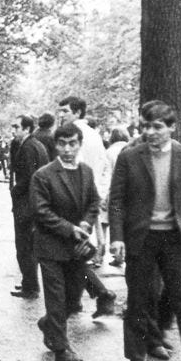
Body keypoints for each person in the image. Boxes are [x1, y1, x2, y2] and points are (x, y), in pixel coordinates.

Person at [109, 101, 181, 361]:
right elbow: (117, 201)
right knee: (139, 297)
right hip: (141, 238)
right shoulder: (129, 156)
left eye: (157, 126)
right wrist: (117, 237)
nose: (151, 132)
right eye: (146, 126)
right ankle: (136, 356)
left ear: (171, 127)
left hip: (175, 238)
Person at [29, 124, 101, 361]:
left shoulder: (87, 172)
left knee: (73, 299)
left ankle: (49, 324)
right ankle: (61, 348)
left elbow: (94, 202)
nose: (68, 149)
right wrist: (70, 229)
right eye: (62, 144)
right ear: (55, 145)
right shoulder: (43, 175)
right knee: (56, 298)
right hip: (50, 246)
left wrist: (86, 224)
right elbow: (41, 211)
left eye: (72, 143)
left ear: (80, 144)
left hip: (76, 248)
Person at [59, 96, 110, 262]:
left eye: (65, 111)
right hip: (92, 194)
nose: (61, 115)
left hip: (75, 198)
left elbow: (73, 166)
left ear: (78, 112)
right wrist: (101, 192)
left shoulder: (71, 135)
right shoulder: (95, 135)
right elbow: (105, 166)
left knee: (76, 251)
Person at [9, 114, 50, 299]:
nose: (13, 130)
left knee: (24, 246)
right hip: (32, 202)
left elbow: (28, 176)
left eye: (16, 127)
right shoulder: (37, 145)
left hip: (25, 204)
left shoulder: (28, 147)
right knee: (28, 246)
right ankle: (29, 283)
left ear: (26, 129)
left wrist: (15, 190)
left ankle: (30, 286)